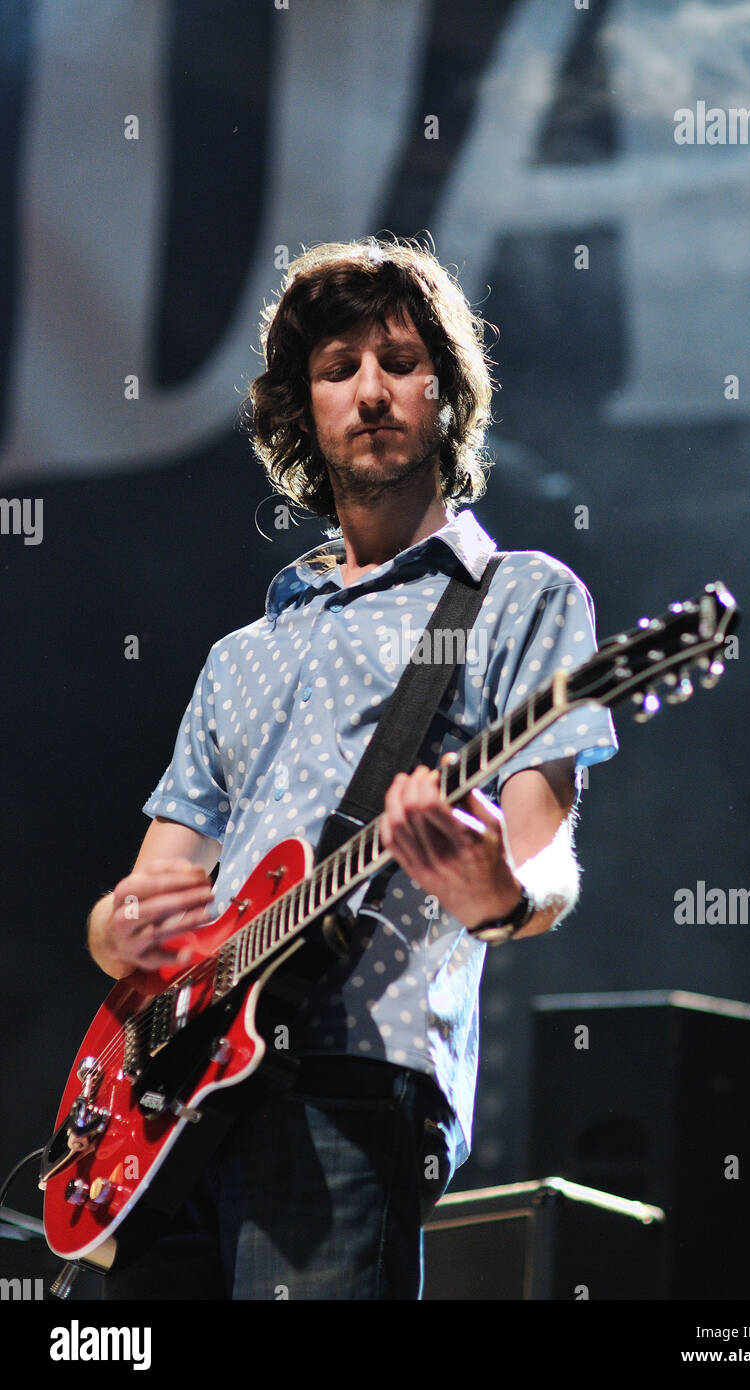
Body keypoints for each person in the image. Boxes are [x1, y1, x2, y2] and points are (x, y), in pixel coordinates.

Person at [86, 235, 618, 1300]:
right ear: (303, 409)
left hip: (351, 1079)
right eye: (337, 370)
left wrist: (499, 897)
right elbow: (145, 905)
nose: (370, 391)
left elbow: (542, 860)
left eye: (398, 361)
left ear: (445, 392)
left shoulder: (520, 598)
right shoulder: (243, 652)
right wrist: (111, 928)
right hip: (168, 1105)